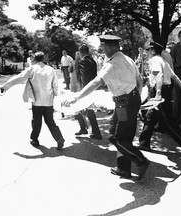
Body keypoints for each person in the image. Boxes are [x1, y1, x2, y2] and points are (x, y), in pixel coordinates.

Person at [62, 35, 150, 180]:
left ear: (110, 47)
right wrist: (138, 99)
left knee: (117, 137)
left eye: (104, 47)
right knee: (122, 134)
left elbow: (96, 82)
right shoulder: (127, 59)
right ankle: (123, 169)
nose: (104, 50)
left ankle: (141, 161)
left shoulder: (112, 64)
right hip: (129, 100)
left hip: (124, 103)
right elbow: (139, 80)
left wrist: (77, 97)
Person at [139, 41, 181, 160]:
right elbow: (175, 77)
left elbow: (158, 76)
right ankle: (144, 143)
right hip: (163, 90)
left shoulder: (155, 60)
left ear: (153, 51)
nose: (147, 52)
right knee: (150, 117)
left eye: (149, 50)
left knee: (167, 123)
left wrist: (158, 94)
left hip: (159, 91)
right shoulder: (164, 62)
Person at [0, 51, 65, 150]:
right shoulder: (50, 69)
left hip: (37, 101)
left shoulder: (32, 69)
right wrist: (57, 97)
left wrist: (5, 86)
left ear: (34, 59)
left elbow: (19, 78)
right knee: (50, 121)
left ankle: (34, 139)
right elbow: (55, 85)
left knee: (36, 121)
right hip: (48, 101)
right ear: (43, 59)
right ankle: (59, 138)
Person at [74, 44, 102, 140]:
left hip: (86, 89)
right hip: (92, 88)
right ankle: (86, 129)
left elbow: (83, 77)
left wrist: (83, 91)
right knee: (86, 110)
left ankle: (94, 131)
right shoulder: (92, 61)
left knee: (84, 110)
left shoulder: (83, 61)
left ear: (80, 52)